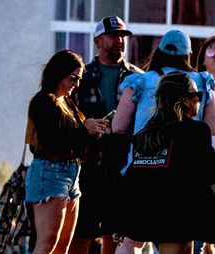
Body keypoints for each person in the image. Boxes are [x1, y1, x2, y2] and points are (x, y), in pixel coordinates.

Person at [118, 72, 215, 253]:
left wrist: (123, 219)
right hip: (182, 212)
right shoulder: (194, 131)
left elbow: (136, 176)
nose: (199, 100)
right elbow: (209, 171)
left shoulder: (147, 132)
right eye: (197, 95)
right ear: (185, 100)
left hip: (154, 212)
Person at [26, 50, 110, 254]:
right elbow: (51, 143)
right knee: (48, 243)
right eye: (73, 78)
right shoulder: (44, 101)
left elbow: (71, 138)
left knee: (63, 245)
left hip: (71, 175)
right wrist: (85, 130)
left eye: (79, 79)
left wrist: (91, 131)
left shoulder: (67, 102)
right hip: (50, 173)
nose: (77, 84)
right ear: (59, 73)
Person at [70, 16, 142, 254]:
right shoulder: (81, 77)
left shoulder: (138, 78)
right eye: (113, 36)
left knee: (115, 236)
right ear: (98, 41)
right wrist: (85, 125)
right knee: (81, 234)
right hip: (88, 167)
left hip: (122, 168)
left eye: (122, 36)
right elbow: (66, 116)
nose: (119, 41)